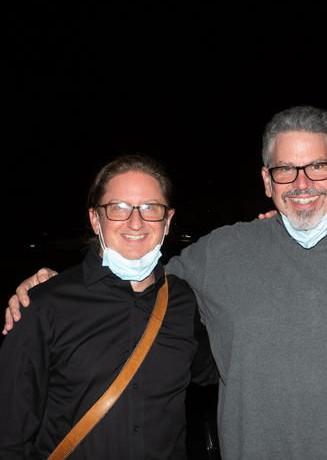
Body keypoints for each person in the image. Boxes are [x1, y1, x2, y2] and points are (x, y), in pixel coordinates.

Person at [5, 106, 327, 460]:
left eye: (316, 167)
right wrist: (50, 286)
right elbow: (137, 279)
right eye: (285, 169)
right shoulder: (221, 252)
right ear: (267, 181)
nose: (302, 183)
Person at [0, 155, 216, 459]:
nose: (136, 222)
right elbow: (9, 433)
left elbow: (230, 370)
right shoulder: (44, 306)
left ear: (167, 221)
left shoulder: (184, 302)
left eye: (150, 208)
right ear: (94, 219)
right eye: (119, 208)